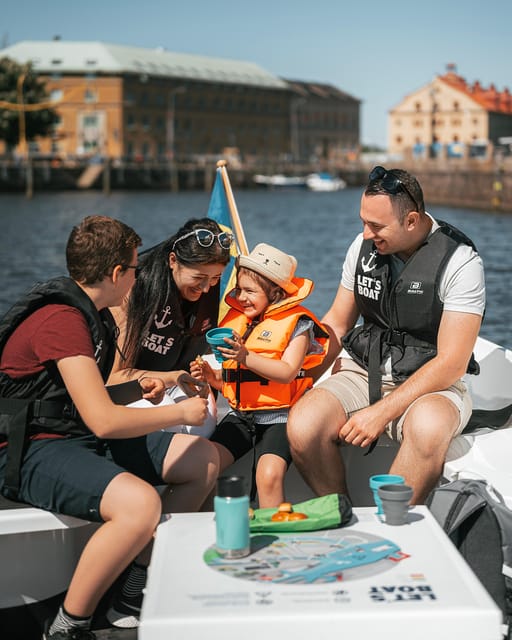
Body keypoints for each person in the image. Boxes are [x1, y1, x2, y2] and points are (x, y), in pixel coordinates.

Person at [0, 216, 220, 639]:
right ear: (118, 273)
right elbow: (103, 421)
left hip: (69, 434)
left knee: (202, 460)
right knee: (139, 506)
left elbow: (84, 398)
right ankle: (68, 625)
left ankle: (133, 590)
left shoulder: (91, 315)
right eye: (137, 268)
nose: (140, 276)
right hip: (29, 449)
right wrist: (179, 414)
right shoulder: (62, 321)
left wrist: (148, 384)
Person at [287, 166, 485, 505]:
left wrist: (381, 412)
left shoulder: (461, 262)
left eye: (375, 226)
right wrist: (300, 379)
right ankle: (342, 514)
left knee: (429, 429)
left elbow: (452, 363)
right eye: (363, 222)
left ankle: (393, 525)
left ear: (411, 221)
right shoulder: (362, 247)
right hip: (363, 372)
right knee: (304, 424)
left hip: (431, 385)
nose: (365, 234)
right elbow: (336, 322)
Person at [191, 243, 328, 508]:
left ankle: (274, 539)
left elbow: (287, 372)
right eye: (239, 289)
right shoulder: (237, 320)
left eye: (250, 291)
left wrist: (244, 356)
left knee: (268, 476)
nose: (241, 297)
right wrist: (210, 376)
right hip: (242, 415)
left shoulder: (299, 324)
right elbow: (234, 382)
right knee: (202, 464)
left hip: (281, 417)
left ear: (275, 292)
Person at [109, 217, 232, 438]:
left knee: (201, 425)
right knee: (167, 418)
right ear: (173, 260)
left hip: (175, 380)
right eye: (199, 277)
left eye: (215, 278)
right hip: (131, 387)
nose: (206, 288)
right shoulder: (134, 289)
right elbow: (115, 376)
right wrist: (173, 377)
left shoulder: (207, 288)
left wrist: (201, 377)